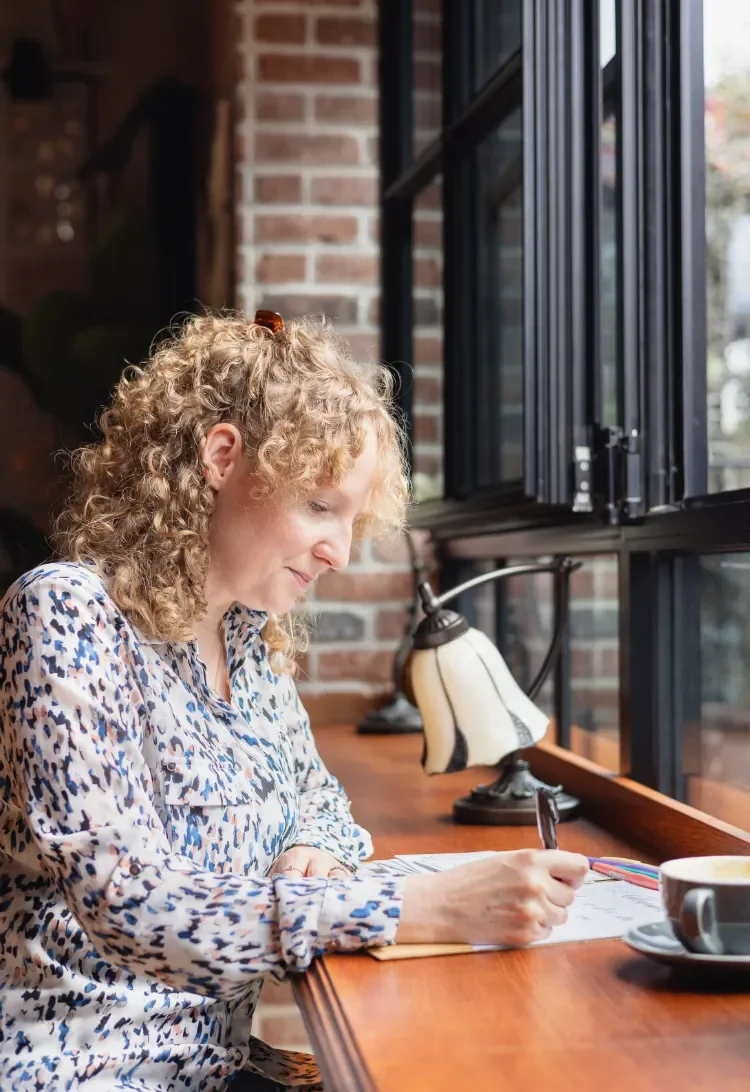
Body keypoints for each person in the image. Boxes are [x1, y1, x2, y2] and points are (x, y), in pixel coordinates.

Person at [0, 311, 588, 1092]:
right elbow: (134, 908)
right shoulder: (66, 615)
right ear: (220, 458)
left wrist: (321, 850)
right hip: (77, 1069)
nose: (339, 553)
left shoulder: (249, 640)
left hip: (216, 1067)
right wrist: (413, 905)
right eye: (319, 505)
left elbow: (319, 800)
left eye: (351, 520)